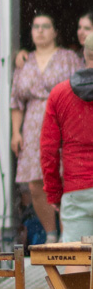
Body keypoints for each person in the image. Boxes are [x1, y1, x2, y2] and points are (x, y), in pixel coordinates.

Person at [11, 12, 81, 242]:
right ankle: (51, 234)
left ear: (55, 32)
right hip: (32, 127)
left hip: (62, 122)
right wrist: (15, 132)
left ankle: (67, 235)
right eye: (36, 26)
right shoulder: (24, 61)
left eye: (45, 26)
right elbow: (16, 101)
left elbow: (81, 90)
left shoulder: (68, 58)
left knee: (64, 179)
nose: (40, 31)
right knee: (35, 183)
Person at [41, 37, 93, 242]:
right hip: (76, 187)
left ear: (84, 54)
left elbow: (48, 151)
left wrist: (54, 193)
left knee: (77, 256)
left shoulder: (59, 93)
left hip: (76, 189)